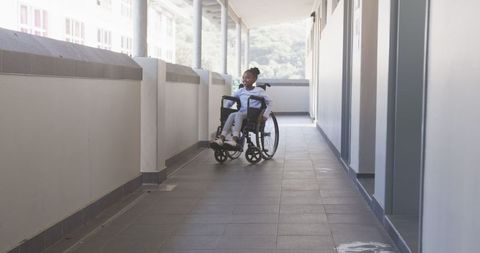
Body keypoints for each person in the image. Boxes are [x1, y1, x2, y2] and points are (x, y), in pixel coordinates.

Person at [211, 67, 272, 149]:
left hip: (254, 113)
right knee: (232, 114)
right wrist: (225, 108)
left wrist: (266, 115)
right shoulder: (240, 91)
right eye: (243, 77)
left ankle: (235, 139)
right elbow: (231, 101)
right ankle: (221, 138)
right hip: (242, 112)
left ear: (254, 80)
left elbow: (269, 102)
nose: (244, 79)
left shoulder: (259, 90)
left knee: (238, 115)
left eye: (247, 78)